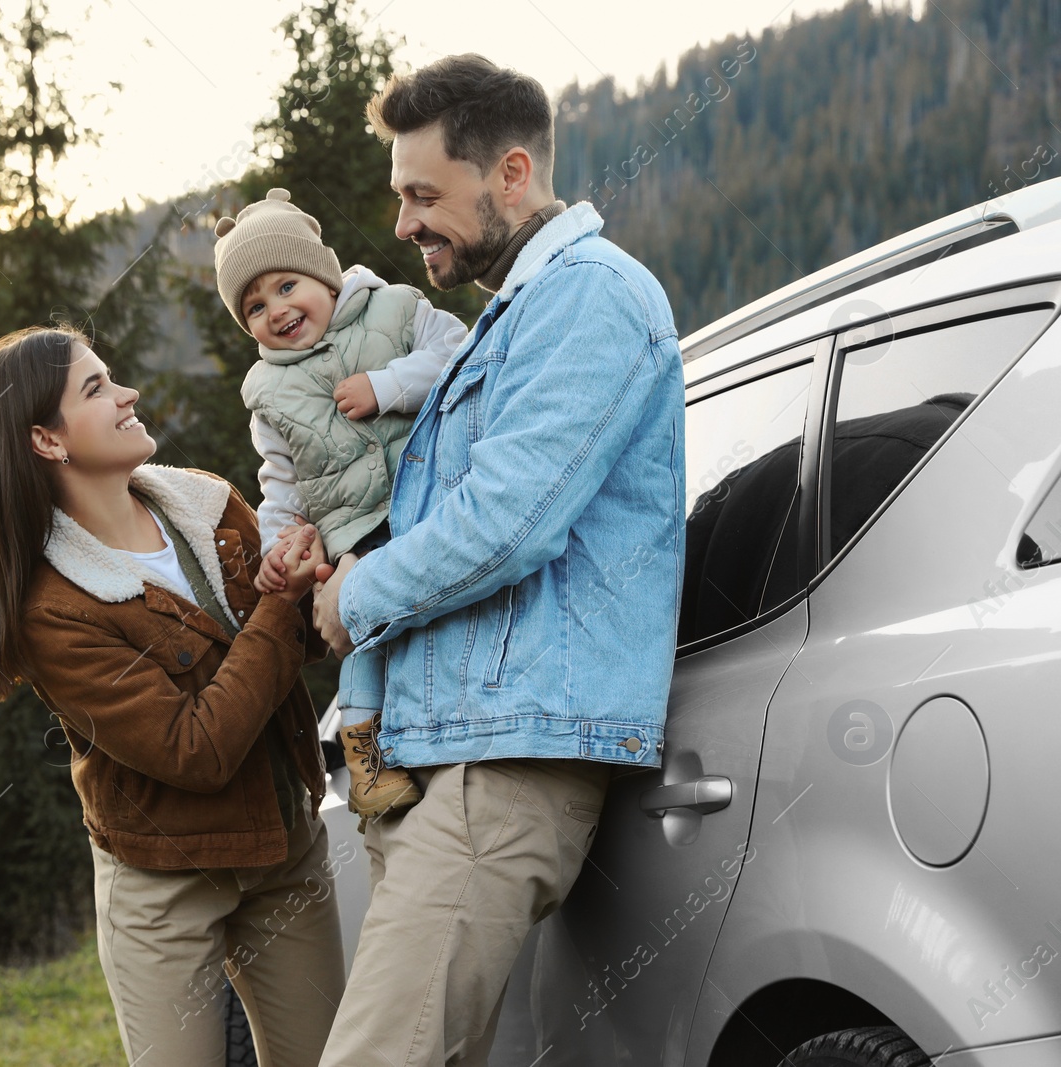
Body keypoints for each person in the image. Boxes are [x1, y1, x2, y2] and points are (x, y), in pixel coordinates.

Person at [309, 55, 687, 1065]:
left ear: (511, 174)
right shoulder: (515, 314)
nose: (402, 225)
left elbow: (508, 522)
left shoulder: (592, 296)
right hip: (452, 749)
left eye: (423, 194)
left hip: (500, 763)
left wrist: (361, 592)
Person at [0, 326, 346, 1067]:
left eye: (113, 377)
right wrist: (277, 607)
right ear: (45, 439)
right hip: (165, 888)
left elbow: (307, 641)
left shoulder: (207, 504)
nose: (127, 393)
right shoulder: (51, 608)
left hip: (286, 849)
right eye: (96, 389)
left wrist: (315, 573)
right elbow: (195, 749)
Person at [212, 187, 468, 827]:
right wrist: (283, 546)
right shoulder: (268, 391)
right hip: (353, 527)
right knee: (360, 638)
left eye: (287, 284)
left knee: (438, 613)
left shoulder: (396, 308)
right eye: (255, 306)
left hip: (432, 499)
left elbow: (463, 357)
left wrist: (389, 387)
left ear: (325, 275)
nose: (277, 309)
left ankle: (458, 715)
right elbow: (282, 483)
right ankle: (368, 761)